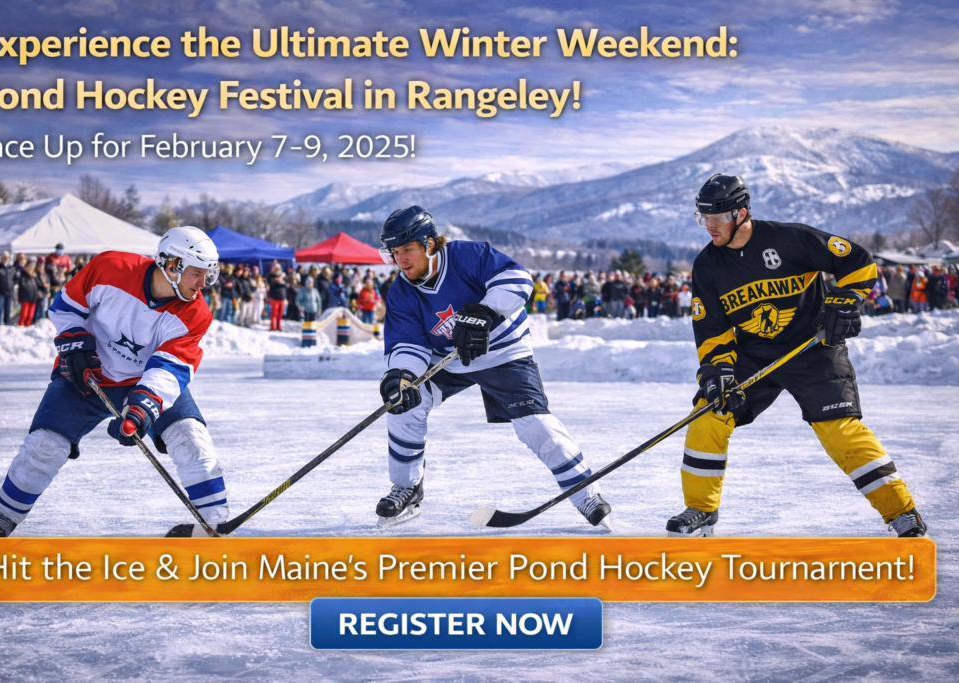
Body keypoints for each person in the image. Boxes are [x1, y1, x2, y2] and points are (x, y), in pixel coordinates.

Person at [667, 173, 925, 538]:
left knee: (840, 430)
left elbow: (859, 260)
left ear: (742, 214)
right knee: (708, 414)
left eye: (717, 218)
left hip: (814, 348)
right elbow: (711, 329)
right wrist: (717, 371)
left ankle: (902, 512)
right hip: (754, 355)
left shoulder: (791, 238)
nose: (709, 226)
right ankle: (701, 510)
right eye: (703, 218)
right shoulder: (708, 265)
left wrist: (847, 299)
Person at [0, 227, 231, 538]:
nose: (203, 284)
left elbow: (171, 367)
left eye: (208, 275)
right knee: (45, 446)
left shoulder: (196, 313)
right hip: (85, 378)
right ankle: (2, 520)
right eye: (197, 274)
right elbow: (66, 307)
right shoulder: (110, 267)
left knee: (190, 437)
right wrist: (74, 342)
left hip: (144, 381)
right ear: (170, 266)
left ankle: (215, 526)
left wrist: (142, 409)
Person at [375, 206, 611, 529]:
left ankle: (586, 494)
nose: (401, 260)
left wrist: (485, 312)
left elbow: (518, 279)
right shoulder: (402, 292)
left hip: (503, 352)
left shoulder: (467, 255)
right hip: (450, 360)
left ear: (429, 244)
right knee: (403, 404)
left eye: (407, 250)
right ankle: (407, 487)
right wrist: (403, 376)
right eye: (395, 253)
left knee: (535, 425)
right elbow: (408, 344)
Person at [0, 250, 16, 326]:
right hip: (0, 291)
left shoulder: (12, 268)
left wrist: (12, 285)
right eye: (4, 258)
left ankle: (7, 322)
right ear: (2, 258)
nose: (5, 259)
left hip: (9, 291)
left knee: (8, 309)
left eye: (7, 258)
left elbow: (15, 279)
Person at [16, 259, 39, 326]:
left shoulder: (34, 276)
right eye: (30, 266)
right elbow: (23, 285)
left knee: (30, 316)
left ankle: (27, 327)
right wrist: (28, 274)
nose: (31, 268)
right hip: (25, 298)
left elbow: (37, 286)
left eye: (33, 266)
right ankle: (20, 326)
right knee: (24, 315)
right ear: (27, 266)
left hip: (33, 298)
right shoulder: (23, 274)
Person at [266, 264, 287, 331]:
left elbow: (285, 284)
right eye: (276, 268)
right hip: (275, 296)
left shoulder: (282, 276)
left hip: (282, 297)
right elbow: (272, 283)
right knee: (274, 312)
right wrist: (279, 281)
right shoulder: (271, 276)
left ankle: (278, 326)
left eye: (279, 268)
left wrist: (280, 280)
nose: (278, 269)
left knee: (280, 313)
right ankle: (273, 326)